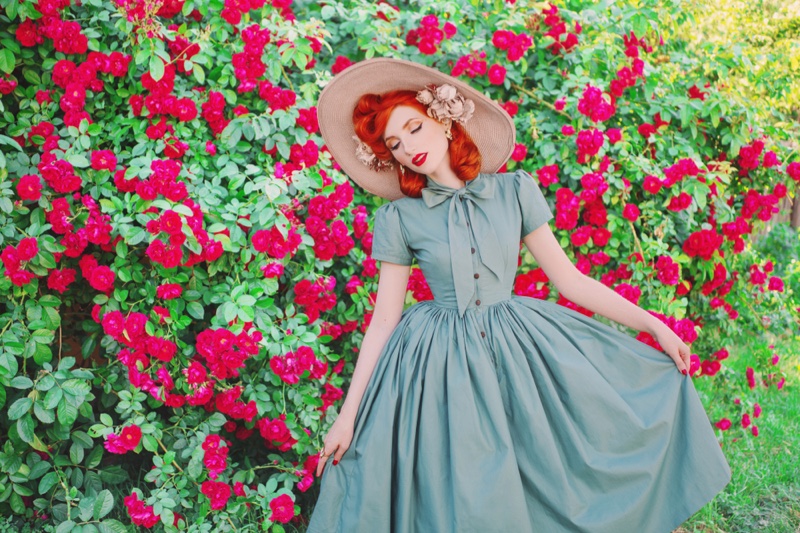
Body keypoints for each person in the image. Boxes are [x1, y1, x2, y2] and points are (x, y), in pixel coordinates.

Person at [306, 56, 731, 533]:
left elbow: (569, 281)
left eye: (414, 128)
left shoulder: (514, 191)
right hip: (439, 364)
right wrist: (347, 417)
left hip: (517, 344)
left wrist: (655, 325)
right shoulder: (399, 218)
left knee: (548, 464)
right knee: (461, 486)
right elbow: (383, 321)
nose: (408, 148)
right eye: (395, 143)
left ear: (444, 122)